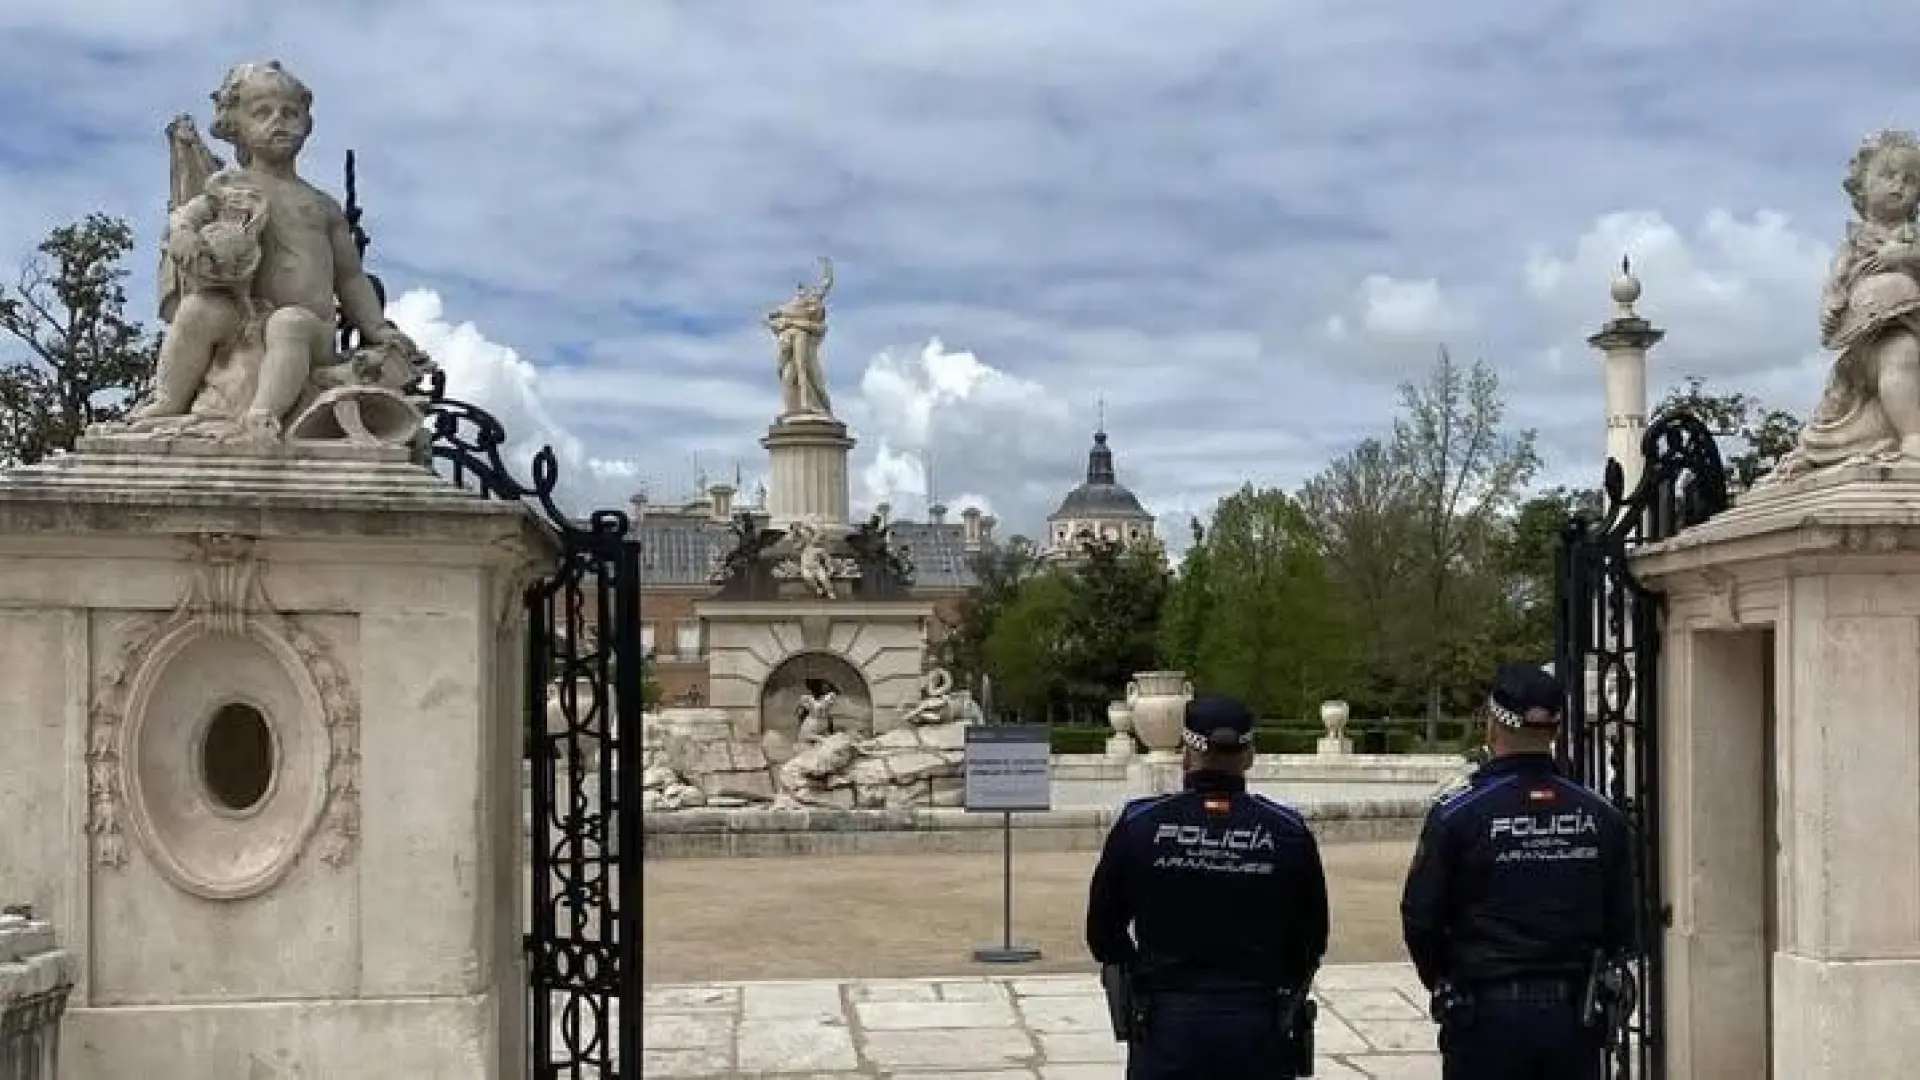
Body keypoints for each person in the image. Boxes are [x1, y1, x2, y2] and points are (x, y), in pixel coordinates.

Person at [1399, 662, 1636, 1079]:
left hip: (1485, 1015)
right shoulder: (1602, 817)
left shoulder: (1457, 815)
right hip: (1572, 1019)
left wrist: (1444, 979)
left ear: (1491, 726)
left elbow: (1422, 919)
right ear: (1556, 731)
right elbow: (1623, 926)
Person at [1086, 694, 1328, 1079]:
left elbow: (1102, 931)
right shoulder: (1287, 831)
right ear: (1249, 755)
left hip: (1167, 1022)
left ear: (1185, 751)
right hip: (1257, 1021)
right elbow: (1313, 938)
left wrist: (1142, 972)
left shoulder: (1140, 824)